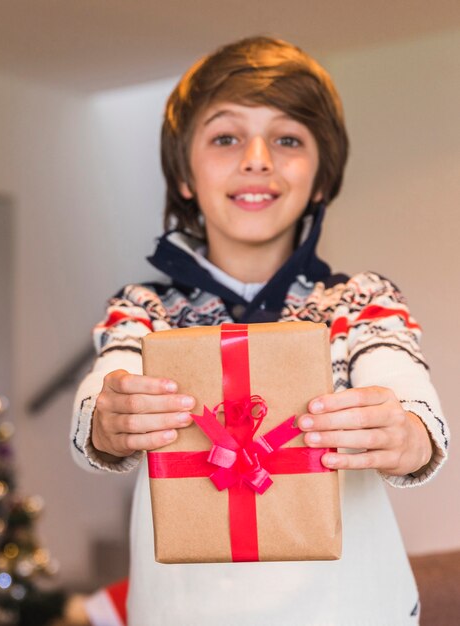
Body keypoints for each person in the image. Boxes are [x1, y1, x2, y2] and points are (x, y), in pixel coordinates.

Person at [70, 36, 449, 625]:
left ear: (321, 180)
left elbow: (409, 397)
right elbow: (104, 388)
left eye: (288, 139)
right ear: (185, 176)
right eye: (226, 137)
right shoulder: (143, 312)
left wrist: (405, 434)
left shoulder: (360, 303)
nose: (257, 157)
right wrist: (106, 418)